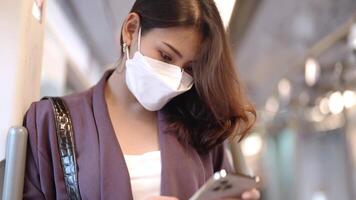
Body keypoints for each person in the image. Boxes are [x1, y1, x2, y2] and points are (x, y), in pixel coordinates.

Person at [22, 0, 260, 199]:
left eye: (189, 69)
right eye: (166, 57)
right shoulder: (52, 123)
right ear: (131, 29)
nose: (175, 79)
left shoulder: (202, 129)